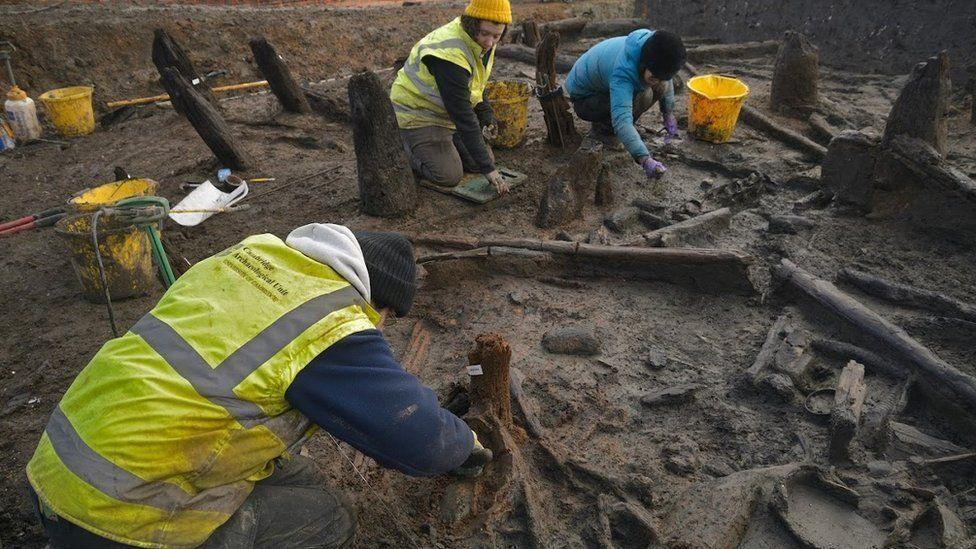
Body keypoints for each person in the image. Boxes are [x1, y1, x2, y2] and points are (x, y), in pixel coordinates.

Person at [25, 224, 491, 548]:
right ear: (376, 300)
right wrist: (465, 445)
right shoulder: (330, 322)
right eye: (385, 319)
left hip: (57, 471)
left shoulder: (246, 263)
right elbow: (417, 439)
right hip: (112, 521)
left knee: (299, 476)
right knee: (330, 516)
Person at [390, 0, 511, 195]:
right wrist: (490, 171)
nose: (489, 42)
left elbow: (476, 82)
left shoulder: (482, 41)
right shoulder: (450, 55)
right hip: (417, 115)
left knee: (480, 160)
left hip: (444, 113)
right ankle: (402, 145)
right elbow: (462, 114)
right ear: (472, 24)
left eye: (496, 36)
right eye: (485, 34)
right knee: (448, 176)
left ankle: (445, 145)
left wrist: (486, 113)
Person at [564, 29, 686, 182]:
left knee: (658, 87)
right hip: (585, 99)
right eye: (654, 76)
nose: (658, 79)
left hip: (604, 87)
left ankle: (620, 132)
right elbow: (622, 120)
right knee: (644, 96)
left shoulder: (655, 47)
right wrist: (645, 159)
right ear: (644, 64)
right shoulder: (623, 71)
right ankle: (604, 131)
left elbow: (666, 82)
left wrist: (668, 114)